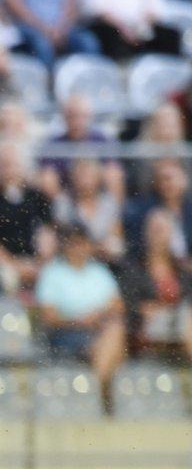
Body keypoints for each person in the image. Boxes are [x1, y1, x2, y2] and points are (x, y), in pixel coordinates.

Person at [32, 224, 125, 409]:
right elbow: (49, 316)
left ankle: (97, 387)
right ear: (65, 246)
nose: (79, 248)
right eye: (74, 244)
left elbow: (118, 305)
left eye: (82, 243)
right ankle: (103, 394)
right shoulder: (52, 273)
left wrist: (96, 316)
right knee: (114, 338)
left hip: (99, 330)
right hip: (67, 333)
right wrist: (80, 321)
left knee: (114, 332)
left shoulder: (99, 271)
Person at [0, 141, 56, 292]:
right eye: (3, 164)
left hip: (33, 262)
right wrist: (13, 265)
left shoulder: (37, 197)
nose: (8, 168)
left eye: (12, 163)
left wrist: (39, 263)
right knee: (2, 278)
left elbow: (46, 235)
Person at [126, 206, 189, 355]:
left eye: (160, 230)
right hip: (147, 327)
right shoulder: (133, 267)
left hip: (179, 324)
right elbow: (127, 303)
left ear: (171, 234)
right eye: (153, 230)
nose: (156, 235)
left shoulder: (182, 270)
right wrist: (143, 309)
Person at [54, 154, 128, 263]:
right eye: (80, 174)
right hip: (71, 257)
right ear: (73, 177)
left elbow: (116, 235)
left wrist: (92, 248)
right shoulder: (63, 202)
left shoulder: (109, 202)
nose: (84, 180)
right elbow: (62, 237)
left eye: (89, 174)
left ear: (98, 177)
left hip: (103, 258)